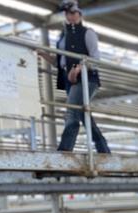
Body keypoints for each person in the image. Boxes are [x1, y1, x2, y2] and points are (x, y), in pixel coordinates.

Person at [37, 0, 110, 154]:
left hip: (86, 78)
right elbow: (60, 62)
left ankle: (64, 151)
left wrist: (78, 68)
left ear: (79, 14)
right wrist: (43, 54)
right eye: (67, 13)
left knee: (71, 112)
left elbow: (95, 59)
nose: (70, 16)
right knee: (83, 115)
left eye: (73, 13)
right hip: (70, 80)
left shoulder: (87, 32)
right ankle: (103, 149)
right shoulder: (63, 36)